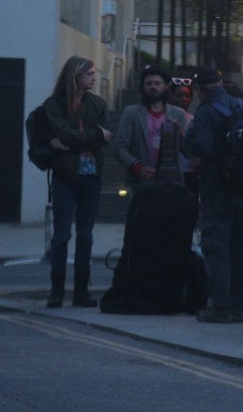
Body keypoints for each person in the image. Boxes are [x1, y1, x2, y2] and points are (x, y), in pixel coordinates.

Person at [184, 66, 243, 323]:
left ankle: (220, 307)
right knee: (242, 250)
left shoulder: (206, 111)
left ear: (199, 89)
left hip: (218, 190)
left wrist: (186, 141)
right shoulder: (242, 105)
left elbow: (202, 146)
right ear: (221, 83)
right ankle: (239, 308)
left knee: (216, 247)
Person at [44, 56, 112, 308]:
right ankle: (57, 291)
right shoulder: (55, 104)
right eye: (90, 74)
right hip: (65, 176)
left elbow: (105, 138)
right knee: (61, 235)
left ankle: (81, 292)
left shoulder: (98, 103)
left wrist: (71, 141)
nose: (94, 77)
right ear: (76, 76)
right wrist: (91, 135)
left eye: (94, 73)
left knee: (85, 235)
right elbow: (66, 133)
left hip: (91, 176)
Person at [114, 65, 188, 188]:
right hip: (140, 182)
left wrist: (180, 136)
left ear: (166, 86)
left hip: (171, 182)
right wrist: (137, 167)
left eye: (157, 83)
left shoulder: (178, 114)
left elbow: (186, 149)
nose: (153, 86)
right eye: (148, 84)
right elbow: (119, 148)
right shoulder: (131, 113)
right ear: (143, 87)